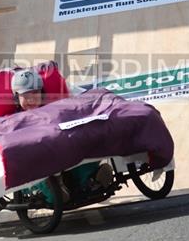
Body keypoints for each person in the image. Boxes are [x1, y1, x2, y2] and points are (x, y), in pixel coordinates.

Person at [10, 69, 113, 200]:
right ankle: (55, 192)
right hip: (39, 167)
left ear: (42, 93)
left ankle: (91, 180)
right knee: (41, 178)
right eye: (25, 95)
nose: (31, 99)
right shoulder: (14, 120)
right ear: (16, 97)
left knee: (86, 150)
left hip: (62, 158)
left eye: (35, 93)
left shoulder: (53, 111)